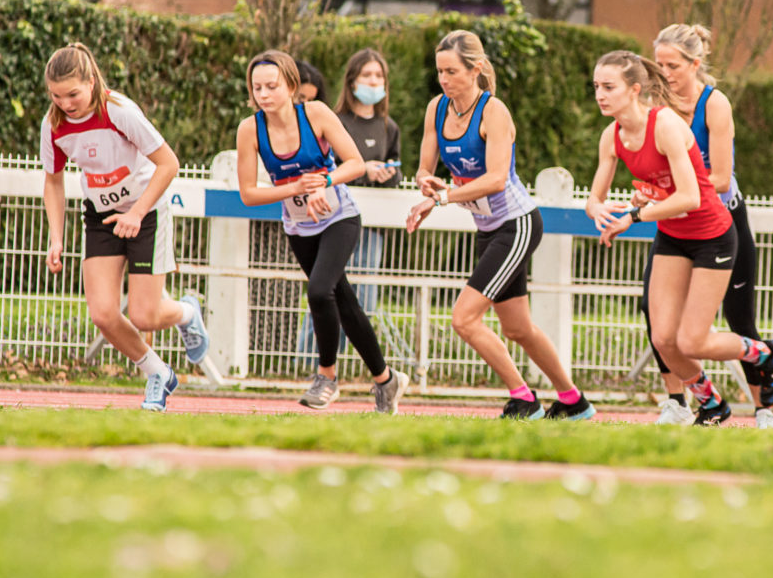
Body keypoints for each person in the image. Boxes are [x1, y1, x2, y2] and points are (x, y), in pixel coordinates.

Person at [584, 50, 773, 427]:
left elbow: (690, 196)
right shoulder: (612, 136)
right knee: (663, 339)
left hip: (713, 236)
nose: (600, 95)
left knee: (692, 341)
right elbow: (596, 196)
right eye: (596, 87)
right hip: (673, 238)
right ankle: (711, 405)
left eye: (609, 87)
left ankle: (763, 352)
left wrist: (633, 215)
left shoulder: (667, 126)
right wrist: (598, 211)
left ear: (635, 90)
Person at [408, 30, 593, 421]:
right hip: (489, 227)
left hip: (517, 224)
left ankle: (524, 399)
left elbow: (495, 179)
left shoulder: (494, 112)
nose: (444, 79)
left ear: (475, 70)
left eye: (452, 71)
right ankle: (574, 402)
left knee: (464, 318)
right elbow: (425, 168)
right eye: (439, 71)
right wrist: (427, 182)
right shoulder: (436, 109)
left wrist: (441, 198)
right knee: (518, 328)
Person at [38, 43, 216, 412]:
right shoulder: (54, 124)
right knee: (103, 314)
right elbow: (53, 181)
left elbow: (169, 163)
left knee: (144, 315)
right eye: (56, 95)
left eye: (73, 94)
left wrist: (137, 213)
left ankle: (186, 312)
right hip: (101, 216)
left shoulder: (119, 111)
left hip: (146, 211)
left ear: (91, 82)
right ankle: (158, 373)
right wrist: (55, 237)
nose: (66, 103)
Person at [234, 50, 405, 413]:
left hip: (339, 217)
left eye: (272, 86)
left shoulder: (316, 114)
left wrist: (322, 182)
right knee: (343, 302)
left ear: (292, 85)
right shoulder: (250, 129)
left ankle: (326, 377)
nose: (263, 95)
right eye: (257, 88)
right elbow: (249, 194)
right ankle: (386, 380)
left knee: (319, 290)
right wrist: (297, 189)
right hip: (299, 226)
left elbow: (356, 163)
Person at [652, 24, 773, 427]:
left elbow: (721, 178)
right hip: (676, 219)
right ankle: (687, 401)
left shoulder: (714, 103)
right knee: (657, 318)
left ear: (695, 63)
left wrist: (679, 186)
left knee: (740, 318)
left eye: (673, 65)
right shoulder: (657, 106)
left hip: (722, 219)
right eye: (658, 65)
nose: (665, 73)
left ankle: (765, 409)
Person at [333, 49, 402, 185]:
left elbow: (397, 172)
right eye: (366, 75)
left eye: (379, 75)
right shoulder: (336, 123)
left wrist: (389, 174)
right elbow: (329, 172)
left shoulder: (389, 126)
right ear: (352, 82)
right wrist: (363, 171)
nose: (373, 81)